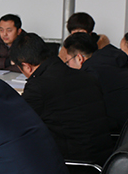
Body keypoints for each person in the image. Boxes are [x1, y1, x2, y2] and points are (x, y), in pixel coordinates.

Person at [9, 32, 113, 165]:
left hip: (75, 166)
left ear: (27, 67)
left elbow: (16, 125)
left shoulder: (38, 87)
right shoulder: (87, 77)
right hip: (104, 160)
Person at [62, 33, 128, 133]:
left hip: (124, 131)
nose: (68, 66)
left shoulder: (91, 73)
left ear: (79, 58)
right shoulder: (108, 63)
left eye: (68, 62)